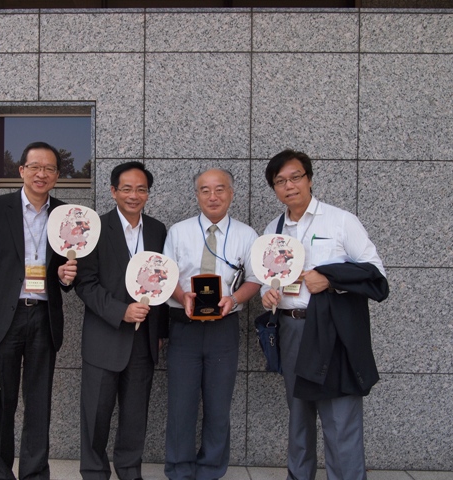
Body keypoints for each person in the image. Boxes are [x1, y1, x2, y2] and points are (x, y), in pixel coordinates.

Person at [260, 149, 388, 480]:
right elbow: (267, 277)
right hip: (291, 329)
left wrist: (329, 278)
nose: (289, 186)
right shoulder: (273, 230)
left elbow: (375, 273)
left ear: (310, 179)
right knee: (299, 417)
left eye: (295, 177)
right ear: (274, 189)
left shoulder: (341, 220)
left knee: (340, 418)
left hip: (334, 333)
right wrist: (267, 293)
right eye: (280, 181)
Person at [0, 141, 77, 480]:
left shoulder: (66, 215)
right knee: (1, 400)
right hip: (3, 317)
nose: (41, 174)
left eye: (49, 169)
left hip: (44, 316)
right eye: (35, 167)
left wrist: (65, 277)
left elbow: (67, 271)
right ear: (21, 170)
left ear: (57, 175)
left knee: (39, 401)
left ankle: (35, 473)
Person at [163, 168, 261, 480]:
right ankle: (179, 469)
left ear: (231, 193)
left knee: (219, 406)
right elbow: (166, 275)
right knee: (181, 404)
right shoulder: (178, 232)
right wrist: (183, 296)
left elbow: (255, 279)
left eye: (220, 189)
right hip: (184, 326)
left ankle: (210, 470)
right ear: (197, 195)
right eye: (205, 190)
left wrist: (235, 298)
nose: (213, 196)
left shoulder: (247, 235)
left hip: (224, 328)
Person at [75, 162, 169, 480]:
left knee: (135, 415)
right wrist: (121, 311)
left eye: (141, 189)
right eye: (126, 189)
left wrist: (160, 332)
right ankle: (94, 472)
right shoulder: (96, 228)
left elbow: (163, 283)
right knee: (96, 415)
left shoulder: (157, 230)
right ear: (113, 191)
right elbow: (85, 283)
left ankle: (129, 471)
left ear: (148, 194)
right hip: (104, 336)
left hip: (143, 340)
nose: (134, 195)